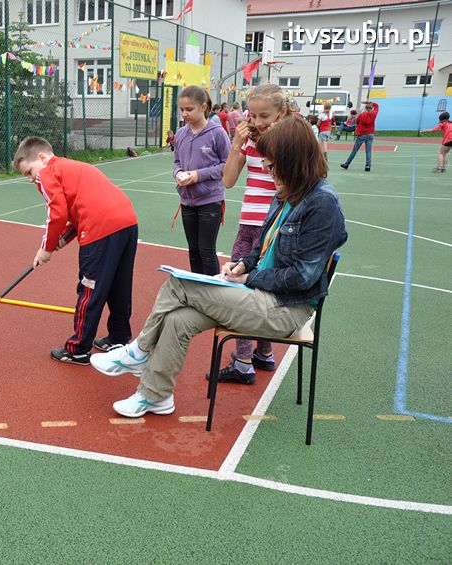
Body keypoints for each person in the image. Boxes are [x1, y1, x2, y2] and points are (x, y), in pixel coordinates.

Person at [90, 114, 348, 417]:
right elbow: (263, 248)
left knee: (179, 283)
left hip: (285, 309)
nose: (267, 170)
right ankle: (155, 396)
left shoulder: (322, 204)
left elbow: (303, 276)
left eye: (273, 164)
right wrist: (241, 265)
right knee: (179, 319)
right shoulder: (287, 193)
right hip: (262, 296)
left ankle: (138, 351)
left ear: (295, 161)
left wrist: (250, 278)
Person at [12, 136, 139, 365]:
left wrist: (46, 248)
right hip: (127, 223)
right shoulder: (73, 167)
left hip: (100, 229)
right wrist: (63, 238)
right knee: (118, 285)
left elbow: (57, 213)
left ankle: (78, 349)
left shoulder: (47, 172)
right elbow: (78, 211)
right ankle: (119, 337)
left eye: (29, 172)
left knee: (89, 289)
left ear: (42, 158)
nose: (32, 179)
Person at [220, 83, 289, 384]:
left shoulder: (288, 141)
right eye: (253, 115)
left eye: (265, 116)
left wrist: (270, 142)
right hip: (248, 222)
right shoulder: (248, 139)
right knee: (246, 288)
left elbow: (287, 185)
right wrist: (237, 143)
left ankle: (244, 361)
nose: (258, 122)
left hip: (273, 226)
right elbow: (229, 180)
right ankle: (262, 353)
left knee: (246, 291)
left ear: (282, 113)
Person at [173, 85, 231, 276]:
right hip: (187, 200)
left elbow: (226, 166)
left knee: (206, 250)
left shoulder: (217, 133)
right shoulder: (181, 134)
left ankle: (213, 292)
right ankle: (197, 289)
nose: (184, 114)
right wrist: (179, 173)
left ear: (203, 107)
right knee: (193, 250)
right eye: (182, 109)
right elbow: (176, 162)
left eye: (189, 109)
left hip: (210, 199)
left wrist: (198, 175)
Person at [341, 101, 379, 172]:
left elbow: (357, 121)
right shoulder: (374, 113)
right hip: (370, 134)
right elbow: (377, 105)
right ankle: (368, 166)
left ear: (365, 108)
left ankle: (347, 164)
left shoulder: (362, 115)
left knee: (354, 151)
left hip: (362, 134)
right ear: (372, 108)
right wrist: (368, 102)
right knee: (368, 151)